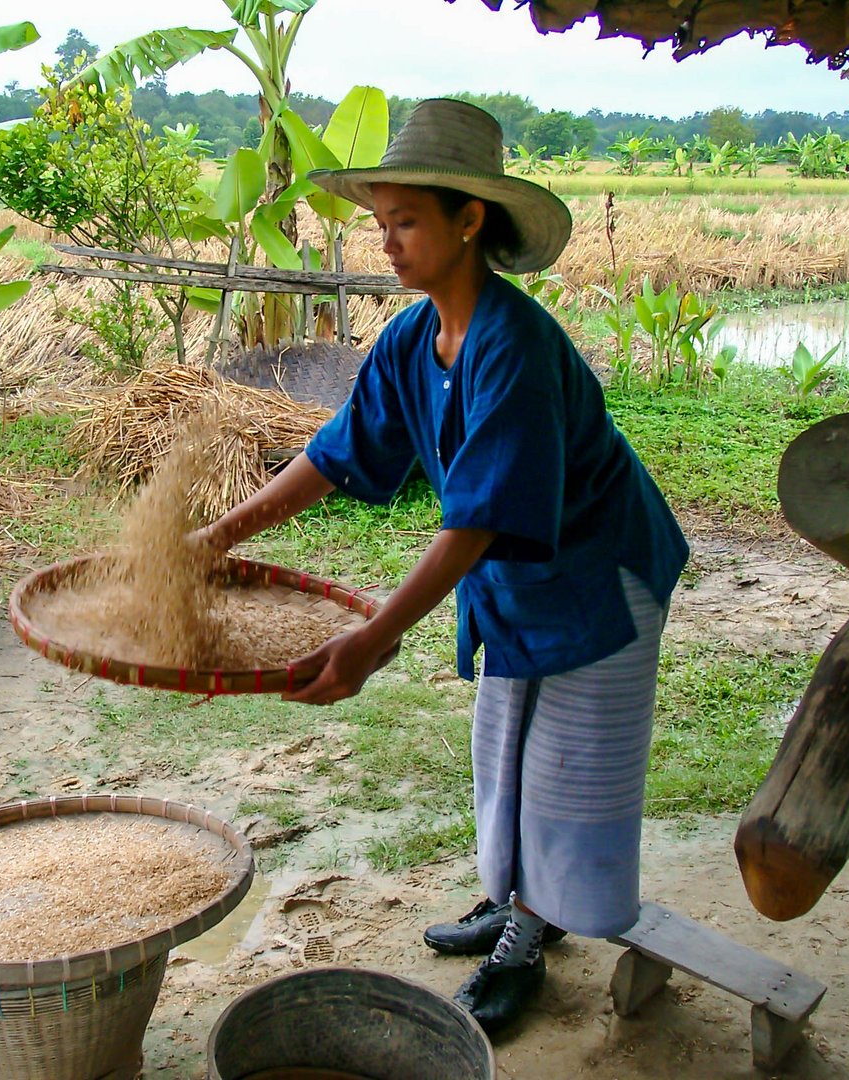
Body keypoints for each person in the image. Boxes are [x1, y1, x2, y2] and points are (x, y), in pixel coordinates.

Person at [195, 98, 689, 1034]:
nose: (387, 243)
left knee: (566, 769)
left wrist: (373, 638)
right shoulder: (412, 341)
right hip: (518, 580)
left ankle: (532, 937)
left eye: (406, 222)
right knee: (502, 749)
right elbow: (336, 454)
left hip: (599, 576)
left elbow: (473, 526)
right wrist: (217, 537)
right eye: (381, 224)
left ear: (470, 222)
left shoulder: (516, 347)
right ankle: (510, 902)